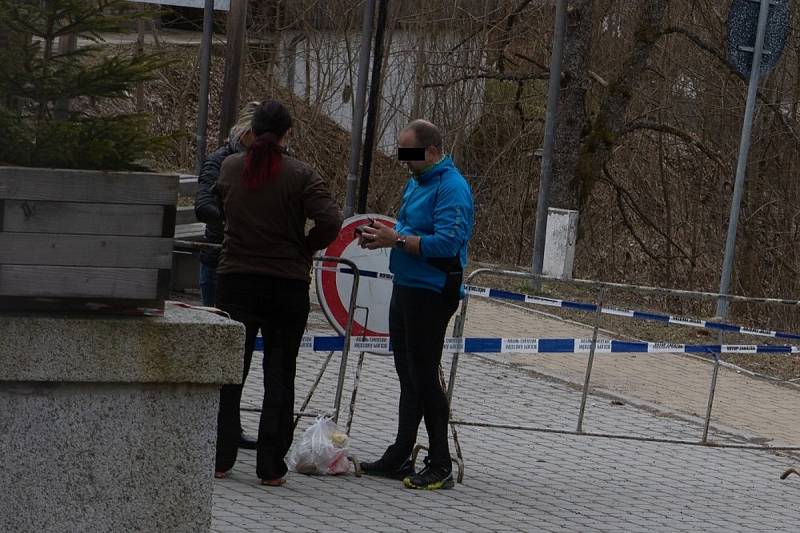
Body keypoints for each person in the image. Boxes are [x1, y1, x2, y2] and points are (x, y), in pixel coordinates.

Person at [212, 100, 343, 486]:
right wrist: (305, 246)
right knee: (280, 376)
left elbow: (220, 207)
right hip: (286, 284)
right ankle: (270, 467)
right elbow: (331, 220)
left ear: (251, 131)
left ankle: (220, 458)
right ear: (288, 134)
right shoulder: (302, 174)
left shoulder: (230, 167)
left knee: (230, 374)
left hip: (235, 280)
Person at [358, 119, 474, 490]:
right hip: (406, 285)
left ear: (433, 152)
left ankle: (440, 462)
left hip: (432, 289)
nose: (404, 161)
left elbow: (446, 243)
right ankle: (401, 452)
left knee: (424, 376)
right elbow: (405, 233)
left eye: (410, 154)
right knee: (408, 374)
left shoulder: (452, 188)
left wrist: (398, 239)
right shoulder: (417, 181)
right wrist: (381, 239)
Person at [194, 101, 260, 450]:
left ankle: (229, 427)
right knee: (219, 350)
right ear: (245, 133)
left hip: (248, 264)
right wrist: (235, 216)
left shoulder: (269, 164)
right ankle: (213, 426)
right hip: (219, 260)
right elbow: (203, 204)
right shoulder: (219, 162)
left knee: (240, 354)